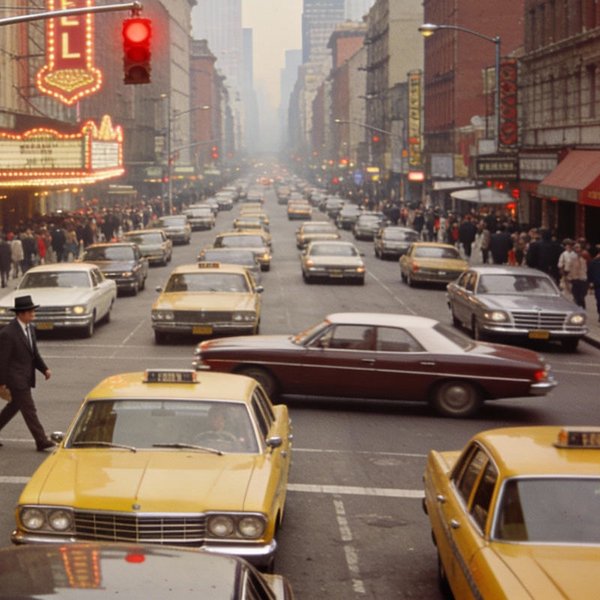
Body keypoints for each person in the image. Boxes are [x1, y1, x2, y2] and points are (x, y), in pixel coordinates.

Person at [0, 295, 55, 451]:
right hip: (15, 379)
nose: (33, 314)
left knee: (14, 407)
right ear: (21, 314)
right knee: (29, 409)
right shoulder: (8, 333)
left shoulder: (29, 328)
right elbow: (2, 360)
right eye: (30, 312)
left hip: (25, 376)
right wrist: (1, 382)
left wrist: (44, 369)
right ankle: (41, 440)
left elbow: (34, 353)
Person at [567, 243, 589, 309]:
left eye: (578, 247)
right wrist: (569, 277)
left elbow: (587, 267)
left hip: (583, 278)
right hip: (574, 279)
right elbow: (569, 268)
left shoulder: (585, 256)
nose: (577, 249)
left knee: (582, 295)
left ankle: (582, 306)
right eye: (575, 247)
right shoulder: (571, 257)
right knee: (576, 295)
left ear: (581, 248)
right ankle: (579, 306)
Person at [588, 247, 600, 322]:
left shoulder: (593, 262)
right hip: (598, 285)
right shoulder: (594, 262)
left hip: (597, 284)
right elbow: (590, 273)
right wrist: (591, 282)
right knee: (599, 301)